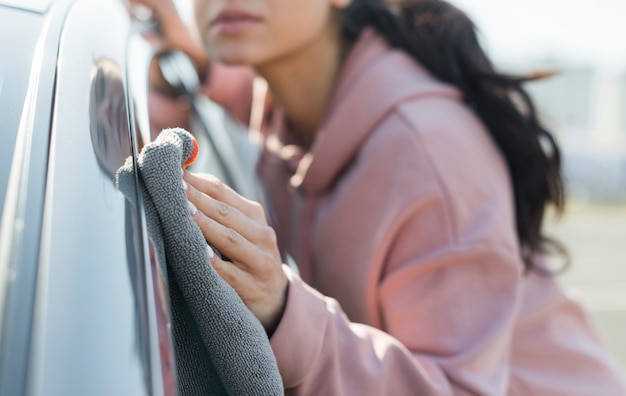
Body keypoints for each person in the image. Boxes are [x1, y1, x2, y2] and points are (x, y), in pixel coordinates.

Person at [129, 0, 626, 394]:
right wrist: (198, 65)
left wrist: (283, 310)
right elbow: (247, 98)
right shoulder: (285, 98)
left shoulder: (430, 155)